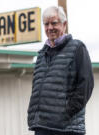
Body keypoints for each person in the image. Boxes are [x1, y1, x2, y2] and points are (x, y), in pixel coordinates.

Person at [27, 6, 94, 135]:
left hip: (66, 129)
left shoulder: (77, 48)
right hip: (42, 127)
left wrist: (65, 113)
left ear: (64, 24)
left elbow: (86, 86)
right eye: (46, 24)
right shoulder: (41, 54)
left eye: (54, 23)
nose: (50, 27)